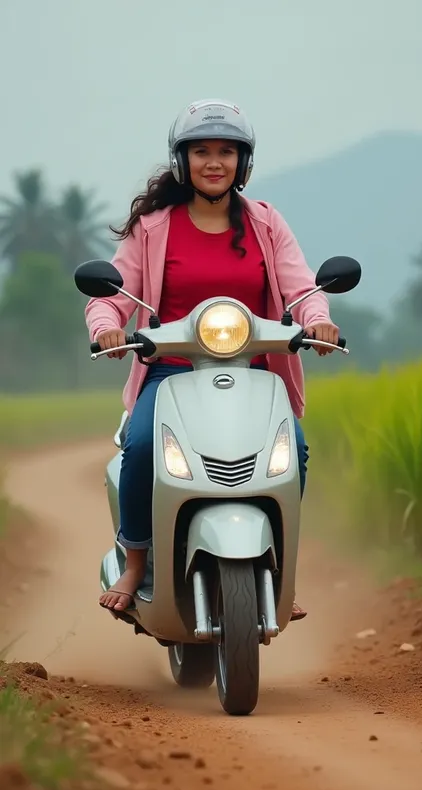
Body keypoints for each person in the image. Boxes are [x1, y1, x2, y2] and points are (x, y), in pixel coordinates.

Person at [85, 98, 339, 620]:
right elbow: (112, 294)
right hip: (172, 372)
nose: (215, 162)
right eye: (201, 151)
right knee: (140, 448)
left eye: (227, 151)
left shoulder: (266, 224)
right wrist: (107, 327)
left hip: (254, 374)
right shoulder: (154, 227)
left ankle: (276, 563)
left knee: (296, 451)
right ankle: (136, 560)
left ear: (243, 163)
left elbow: (302, 287)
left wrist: (317, 319)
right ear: (183, 161)